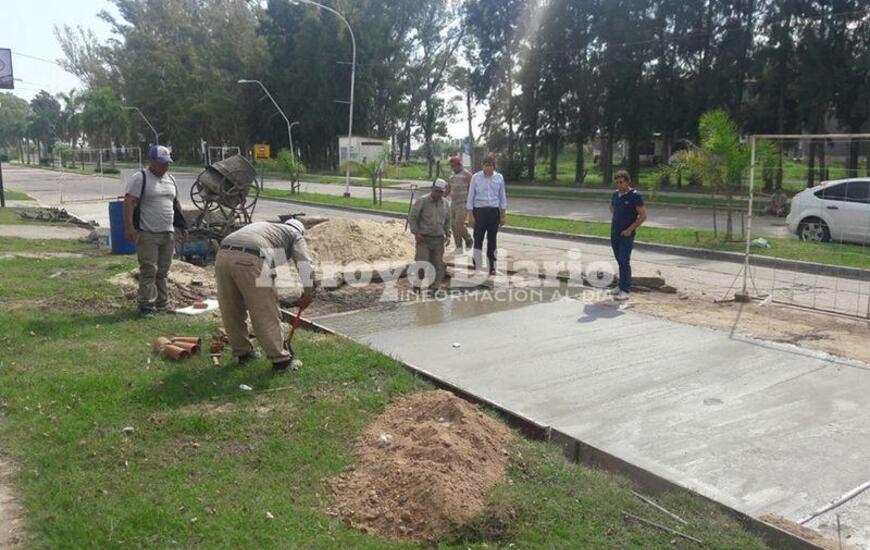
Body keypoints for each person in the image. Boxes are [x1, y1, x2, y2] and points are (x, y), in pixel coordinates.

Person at [215, 219, 315, 372]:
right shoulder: (295, 235)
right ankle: (281, 361)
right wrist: (309, 294)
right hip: (251, 257)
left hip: (222, 255)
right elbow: (304, 264)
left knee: (231, 308)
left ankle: (244, 353)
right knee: (265, 310)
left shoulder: (269, 229)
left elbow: (270, 263)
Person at [123, 145, 187, 317]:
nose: (165, 167)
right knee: (148, 270)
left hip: (168, 233)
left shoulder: (171, 180)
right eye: (162, 163)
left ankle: (162, 304)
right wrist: (129, 227)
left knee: (163, 271)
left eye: (167, 163)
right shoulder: (140, 178)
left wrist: (183, 226)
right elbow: (129, 202)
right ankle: (146, 305)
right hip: (148, 233)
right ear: (152, 162)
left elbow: (176, 204)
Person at [609, 170, 647, 300]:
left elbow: (643, 216)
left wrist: (629, 229)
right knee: (619, 260)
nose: (619, 185)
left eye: (621, 182)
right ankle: (620, 286)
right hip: (614, 233)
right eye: (617, 182)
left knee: (625, 261)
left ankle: (625, 290)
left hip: (626, 235)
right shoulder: (615, 195)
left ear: (627, 181)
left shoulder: (635, 196)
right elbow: (612, 208)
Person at [466, 154, 507, 275]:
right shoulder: (476, 177)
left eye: (490, 165)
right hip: (479, 211)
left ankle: (492, 266)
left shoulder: (499, 178)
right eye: (486, 165)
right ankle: (477, 264)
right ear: (482, 166)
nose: (488, 168)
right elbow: (471, 196)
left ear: (494, 167)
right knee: (478, 239)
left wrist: (503, 214)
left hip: (494, 211)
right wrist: (470, 214)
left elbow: (502, 196)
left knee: (492, 240)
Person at [408, 178, 451, 292]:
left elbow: (447, 220)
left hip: (438, 239)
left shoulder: (445, 203)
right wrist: (416, 232)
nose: (438, 194)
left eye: (441, 192)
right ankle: (417, 285)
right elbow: (413, 217)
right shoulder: (422, 201)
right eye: (436, 191)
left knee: (437, 265)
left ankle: (435, 288)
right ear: (432, 189)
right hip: (424, 239)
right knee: (422, 263)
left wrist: (448, 234)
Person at [445, 155, 473, 254]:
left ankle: (468, 239)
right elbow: (448, 188)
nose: (452, 168)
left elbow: (473, 189)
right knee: (453, 225)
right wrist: (442, 196)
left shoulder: (467, 174)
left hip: (463, 203)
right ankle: (458, 247)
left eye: (453, 166)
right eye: (451, 166)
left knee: (458, 224)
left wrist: (471, 203)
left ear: (459, 165)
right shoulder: (451, 175)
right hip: (453, 203)